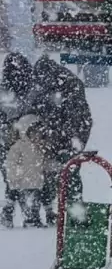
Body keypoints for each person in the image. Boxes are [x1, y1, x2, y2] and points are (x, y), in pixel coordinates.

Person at [32, 57, 92, 226]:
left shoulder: (68, 85)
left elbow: (74, 118)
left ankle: (75, 215)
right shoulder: (51, 84)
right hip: (63, 137)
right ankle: (66, 212)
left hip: (70, 138)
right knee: (58, 174)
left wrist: (63, 140)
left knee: (69, 174)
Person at [0, 53, 37, 228]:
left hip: (5, 138)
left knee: (11, 177)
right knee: (27, 176)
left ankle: (10, 210)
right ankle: (27, 213)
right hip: (27, 137)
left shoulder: (3, 87)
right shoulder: (33, 86)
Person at [3, 114, 45, 227]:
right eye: (34, 133)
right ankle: (22, 217)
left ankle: (34, 217)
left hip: (36, 181)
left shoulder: (40, 147)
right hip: (22, 182)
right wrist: (15, 177)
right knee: (23, 201)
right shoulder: (18, 147)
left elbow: (44, 163)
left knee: (35, 201)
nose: (37, 136)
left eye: (39, 133)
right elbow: (12, 164)